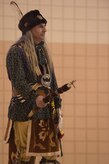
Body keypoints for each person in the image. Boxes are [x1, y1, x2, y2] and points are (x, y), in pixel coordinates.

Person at [5, 9, 63, 164]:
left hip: (45, 112)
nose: (45, 29)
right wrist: (34, 97)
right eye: (40, 26)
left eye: (44, 25)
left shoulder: (43, 50)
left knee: (50, 156)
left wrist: (57, 105)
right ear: (29, 29)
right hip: (24, 110)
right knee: (24, 157)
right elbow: (18, 81)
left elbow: (52, 80)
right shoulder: (16, 51)